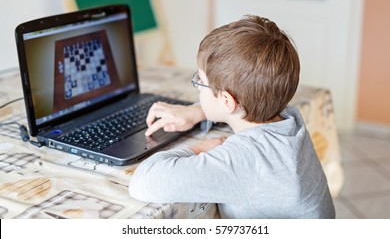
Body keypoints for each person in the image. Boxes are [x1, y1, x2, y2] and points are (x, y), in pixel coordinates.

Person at [129, 15, 335, 219]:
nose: (197, 88)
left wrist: (199, 149)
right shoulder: (289, 116)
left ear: (227, 101)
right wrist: (199, 111)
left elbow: (143, 182)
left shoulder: (244, 161)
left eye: (200, 81)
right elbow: (240, 106)